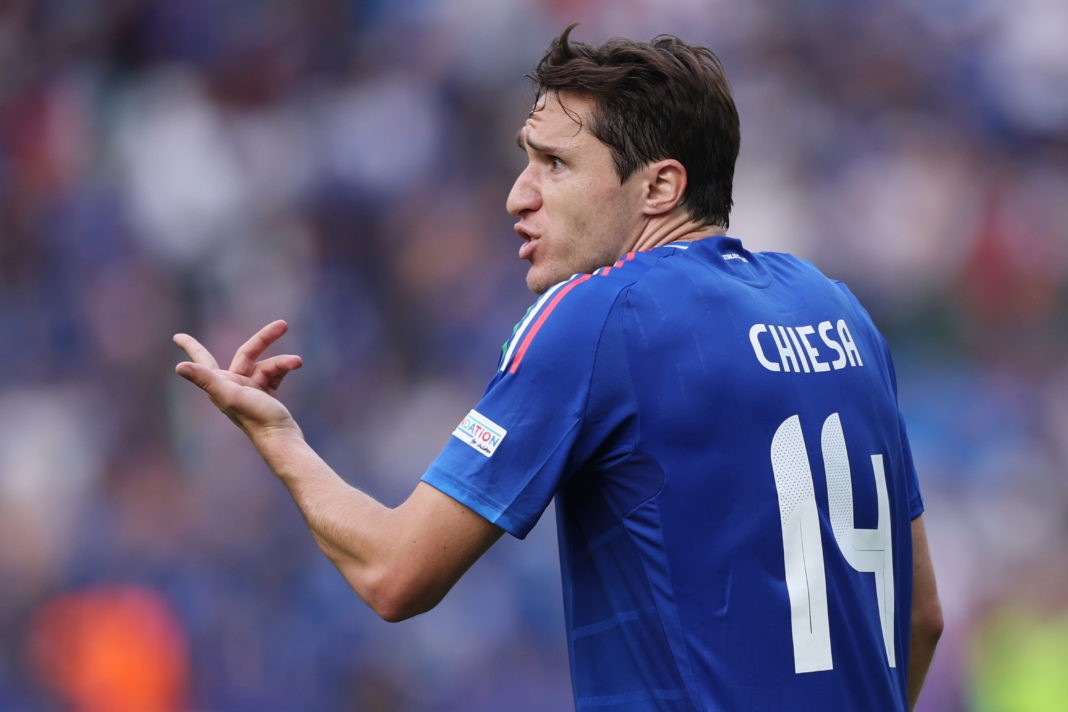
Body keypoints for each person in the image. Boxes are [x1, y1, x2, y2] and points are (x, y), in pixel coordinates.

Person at [174, 25, 942, 711]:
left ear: (660, 186)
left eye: (554, 163)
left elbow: (394, 573)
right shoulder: (839, 310)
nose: (518, 196)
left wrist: (280, 440)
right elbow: (920, 618)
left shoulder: (600, 313)